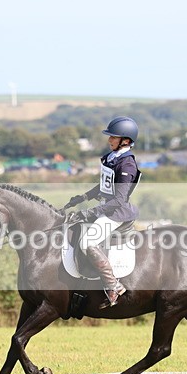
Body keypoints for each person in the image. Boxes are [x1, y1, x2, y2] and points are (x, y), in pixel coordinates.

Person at [64, 116, 141, 308]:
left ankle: (113, 285)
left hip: (117, 212)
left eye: (113, 137)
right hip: (106, 208)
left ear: (126, 140)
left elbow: (118, 199)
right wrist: (83, 198)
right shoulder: (111, 158)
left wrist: (87, 213)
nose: (109, 140)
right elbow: (104, 186)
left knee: (87, 242)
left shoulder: (127, 164)